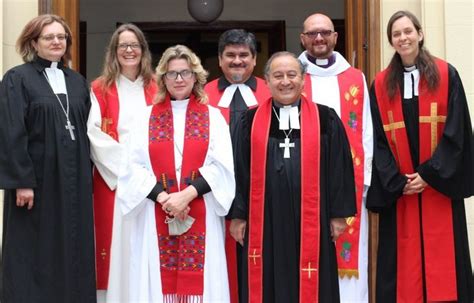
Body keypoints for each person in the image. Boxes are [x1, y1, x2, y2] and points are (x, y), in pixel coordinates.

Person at [230, 51, 356, 302]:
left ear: (303, 79)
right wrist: (238, 215)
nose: (285, 81)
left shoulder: (325, 118)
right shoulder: (249, 120)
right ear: (266, 81)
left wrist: (338, 215)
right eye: (277, 76)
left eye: (291, 75)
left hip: (313, 218)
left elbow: (339, 169)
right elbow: (238, 170)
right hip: (264, 219)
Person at [114, 44, 235, 302]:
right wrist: (164, 198)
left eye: (185, 73)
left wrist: (187, 195)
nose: (178, 79)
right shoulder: (143, 118)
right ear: (162, 79)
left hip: (200, 208)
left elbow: (222, 166)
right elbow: (131, 168)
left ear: (196, 76)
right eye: (171, 74)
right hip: (154, 213)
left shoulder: (213, 117)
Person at [368, 10, 474, 302]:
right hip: (401, 188)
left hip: (438, 185)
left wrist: (428, 175)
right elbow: (375, 139)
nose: (403, 38)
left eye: (407, 31)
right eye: (396, 34)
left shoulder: (445, 74)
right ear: (391, 41)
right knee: (402, 268)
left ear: (420, 34)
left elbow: (458, 130)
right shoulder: (380, 84)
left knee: (446, 266)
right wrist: (397, 180)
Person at [0, 14, 96, 302]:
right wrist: (22, 181)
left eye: (61, 37)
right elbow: (11, 130)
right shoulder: (18, 78)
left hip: (75, 179)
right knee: (34, 249)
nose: (57, 42)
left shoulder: (78, 82)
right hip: (37, 182)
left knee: (73, 244)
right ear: (33, 42)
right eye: (49, 37)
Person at [299, 13, 373, 302]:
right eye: (313, 33)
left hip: (346, 184)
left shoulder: (355, 77)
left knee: (351, 256)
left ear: (335, 37)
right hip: (305, 182)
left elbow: (365, 131)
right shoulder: (293, 75)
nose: (319, 38)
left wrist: (363, 182)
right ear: (303, 38)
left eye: (325, 32)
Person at [87, 23, 157, 301]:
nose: (129, 50)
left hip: (151, 180)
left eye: (134, 45)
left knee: (147, 244)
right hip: (114, 179)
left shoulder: (158, 86)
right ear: (114, 52)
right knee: (115, 246)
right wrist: (127, 170)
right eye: (123, 45)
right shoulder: (99, 88)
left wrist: (147, 173)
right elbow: (92, 134)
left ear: (143, 50)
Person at [204, 28, 271, 303]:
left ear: (255, 60)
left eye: (244, 55)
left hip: (263, 189)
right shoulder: (204, 94)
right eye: (230, 55)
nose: (237, 60)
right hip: (215, 192)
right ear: (219, 60)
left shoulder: (271, 91)